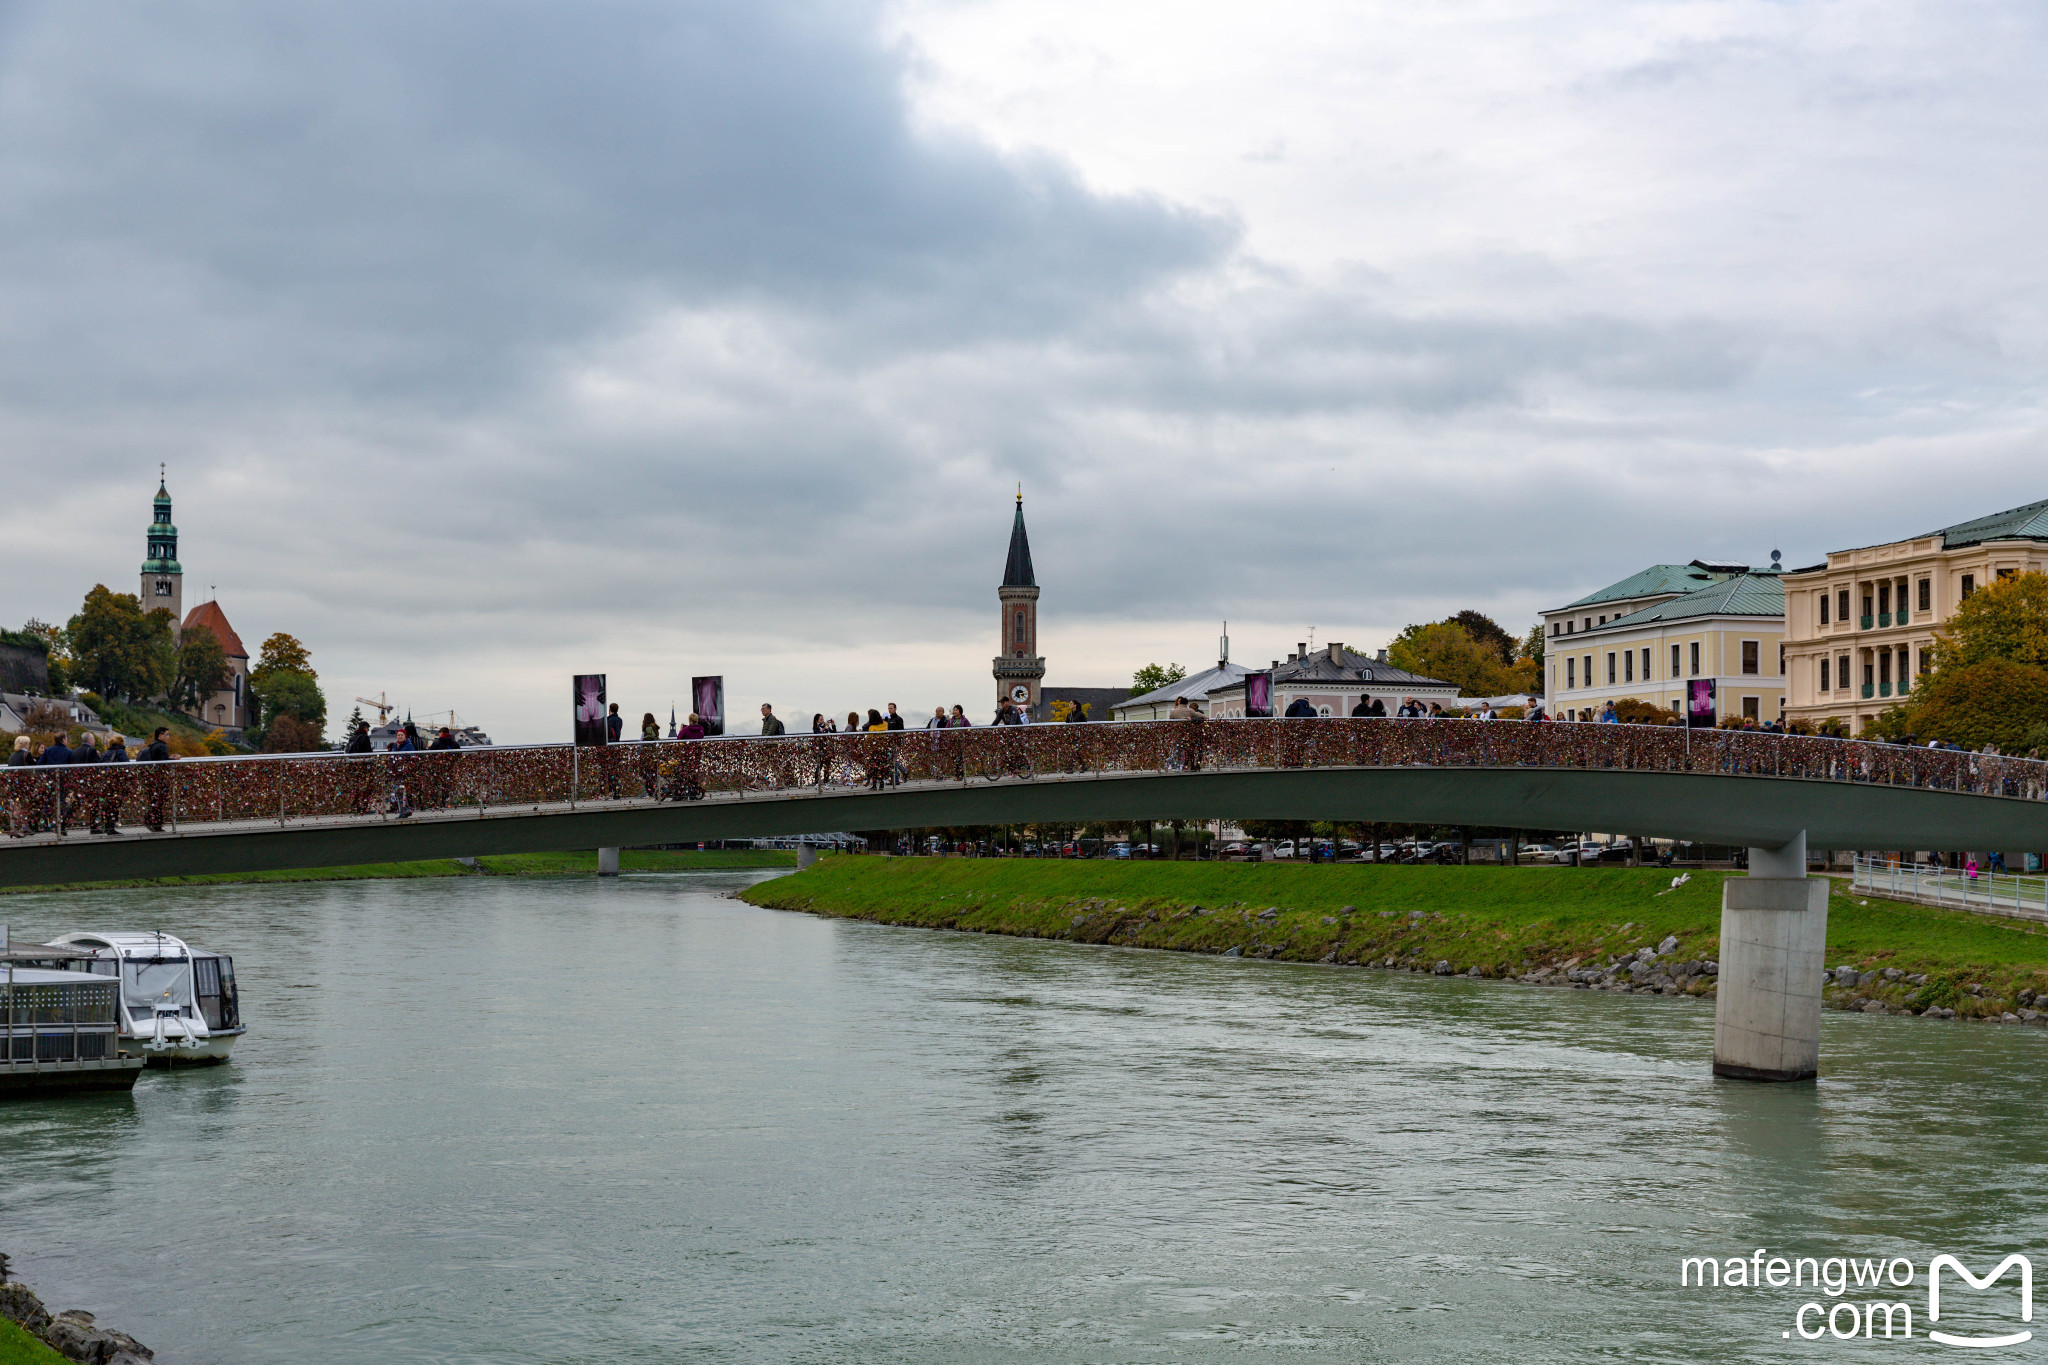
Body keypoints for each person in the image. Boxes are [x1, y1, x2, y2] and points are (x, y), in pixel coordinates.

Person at [137, 727, 173, 831]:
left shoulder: (152, 745)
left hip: (151, 777)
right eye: (167, 734)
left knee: (154, 800)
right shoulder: (162, 747)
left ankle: (153, 822)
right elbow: (164, 762)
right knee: (159, 801)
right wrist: (173, 759)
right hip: (159, 779)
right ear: (160, 735)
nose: (168, 737)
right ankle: (154, 823)